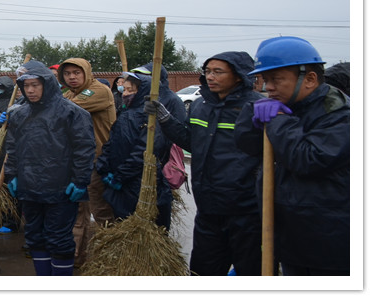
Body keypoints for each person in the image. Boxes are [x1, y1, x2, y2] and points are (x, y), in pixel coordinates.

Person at [234, 36, 349, 276]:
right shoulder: (289, 105)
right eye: (265, 80)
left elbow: (309, 159)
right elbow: (248, 146)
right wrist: (251, 119)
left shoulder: (339, 113)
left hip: (327, 244)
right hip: (290, 236)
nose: (268, 88)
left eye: (276, 80)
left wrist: (278, 121)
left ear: (310, 79)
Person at [145, 52, 262, 275]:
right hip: (208, 209)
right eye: (207, 71)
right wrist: (165, 119)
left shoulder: (257, 108)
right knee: (202, 272)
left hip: (247, 213)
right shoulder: (200, 106)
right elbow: (190, 141)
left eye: (218, 72)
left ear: (238, 76)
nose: (210, 77)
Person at [3, 61, 95, 277]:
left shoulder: (72, 113)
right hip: (29, 188)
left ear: (47, 84)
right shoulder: (19, 114)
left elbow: (84, 149)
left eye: (35, 85)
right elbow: (12, 147)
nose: (31, 90)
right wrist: (12, 175)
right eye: (26, 86)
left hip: (60, 189)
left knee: (59, 239)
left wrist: (80, 180)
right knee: (35, 237)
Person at [57, 57, 117, 267]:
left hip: (98, 161)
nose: (72, 77)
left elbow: (64, 110)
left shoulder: (98, 91)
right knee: (78, 213)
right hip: (78, 162)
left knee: (101, 212)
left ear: (86, 72)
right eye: (67, 74)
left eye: (76, 72)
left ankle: (111, 258)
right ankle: (76, 258)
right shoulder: (68, 94)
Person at [96, 71, 174, 230]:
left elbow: (143, 152)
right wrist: (103, 167)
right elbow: (112, 143)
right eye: (124, 89)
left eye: (131, 90)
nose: (125, 94)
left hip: (140, 183)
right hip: (122, 185)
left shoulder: (151, 119)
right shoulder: (125, 114)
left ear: (143, 92)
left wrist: (120, 176)